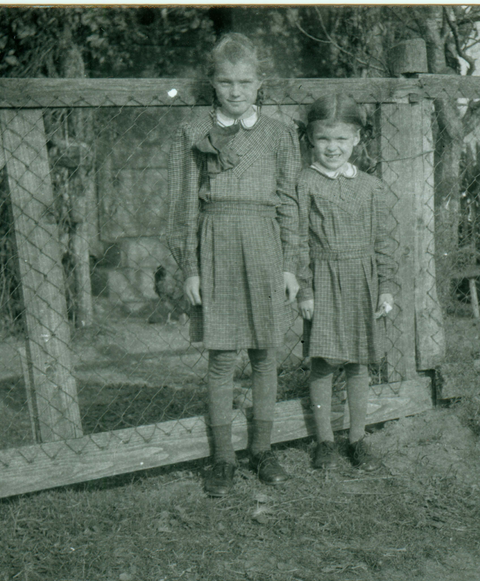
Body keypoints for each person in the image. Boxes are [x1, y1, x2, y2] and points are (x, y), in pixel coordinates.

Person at [167, 33, 301, 497]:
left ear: (260, 83)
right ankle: (223, 458)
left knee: (265, 353)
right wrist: (190, 268)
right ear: (213, 83)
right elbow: (184, 207)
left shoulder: (280, 133)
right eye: (226, 82)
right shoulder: (193, 132)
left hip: (265, 245)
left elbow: (289, 202)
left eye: (245, 81)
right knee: (223, 356)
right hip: (216, 245)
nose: (236, 91)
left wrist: (290, 266)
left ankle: (262, 449)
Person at [296, 94, 397, 472]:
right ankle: (324, 440)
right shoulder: (302, 183)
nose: (332, 148)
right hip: (323, 280)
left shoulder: (371, 187)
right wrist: (304, 289)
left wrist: (386, 285)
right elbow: (296, 241)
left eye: (341, 139)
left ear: (357, 139)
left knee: (357, 362)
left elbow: (384, 240)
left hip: (362, 280)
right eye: (323, 139)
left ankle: (357, 438)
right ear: (310, 139)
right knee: (323, 361)